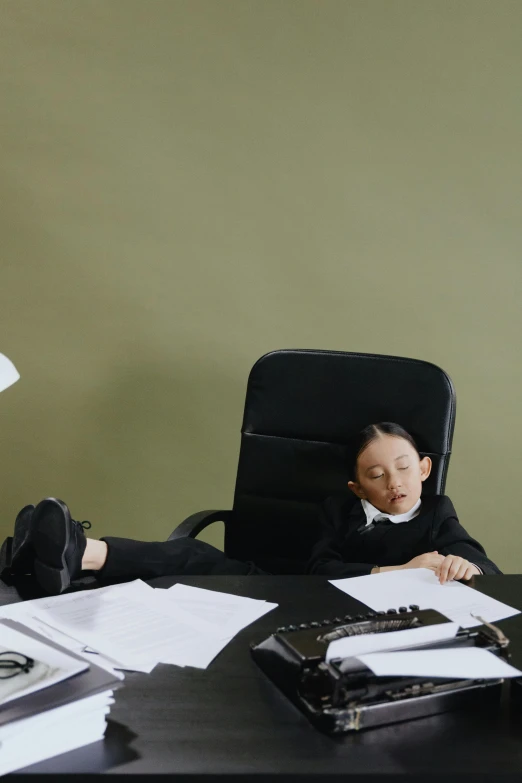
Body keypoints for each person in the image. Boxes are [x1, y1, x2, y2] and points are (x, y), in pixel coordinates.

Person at [6, 422, 500, 595]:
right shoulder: (339, 511)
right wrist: (400, 569)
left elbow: (485, 570)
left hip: (342, 620)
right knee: (192, 557)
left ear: (426, 468)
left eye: (405, 468)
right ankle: (71, 549)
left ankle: (36, 552)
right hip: (285, 585)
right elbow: (319, 569)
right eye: (377, 475)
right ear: (357, 487)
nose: (395, 483)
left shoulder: (436, 514)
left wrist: (462, 564)